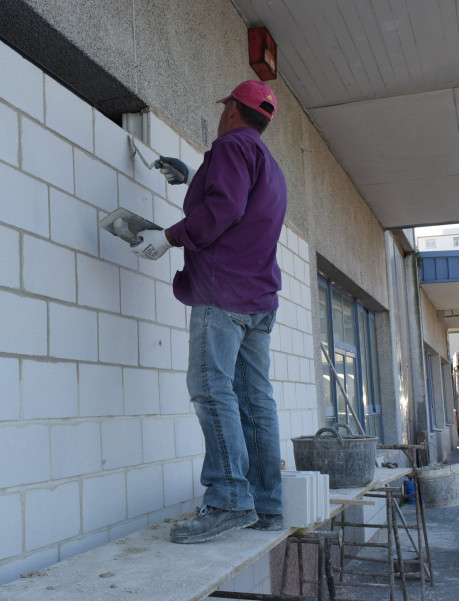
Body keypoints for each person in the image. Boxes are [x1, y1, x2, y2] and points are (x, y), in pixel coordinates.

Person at [129, 80, 287, 543]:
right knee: (255, 399)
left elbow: (224, 208)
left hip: (223, 293)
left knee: (210, 388)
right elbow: (235, 204)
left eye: (224, 110)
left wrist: (170, 236)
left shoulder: (231, 147)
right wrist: (196, 179)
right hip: (258, 300)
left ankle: (227, 501)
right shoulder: (268, 164)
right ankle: (266, 505)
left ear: (234, 111)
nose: (221, 118)